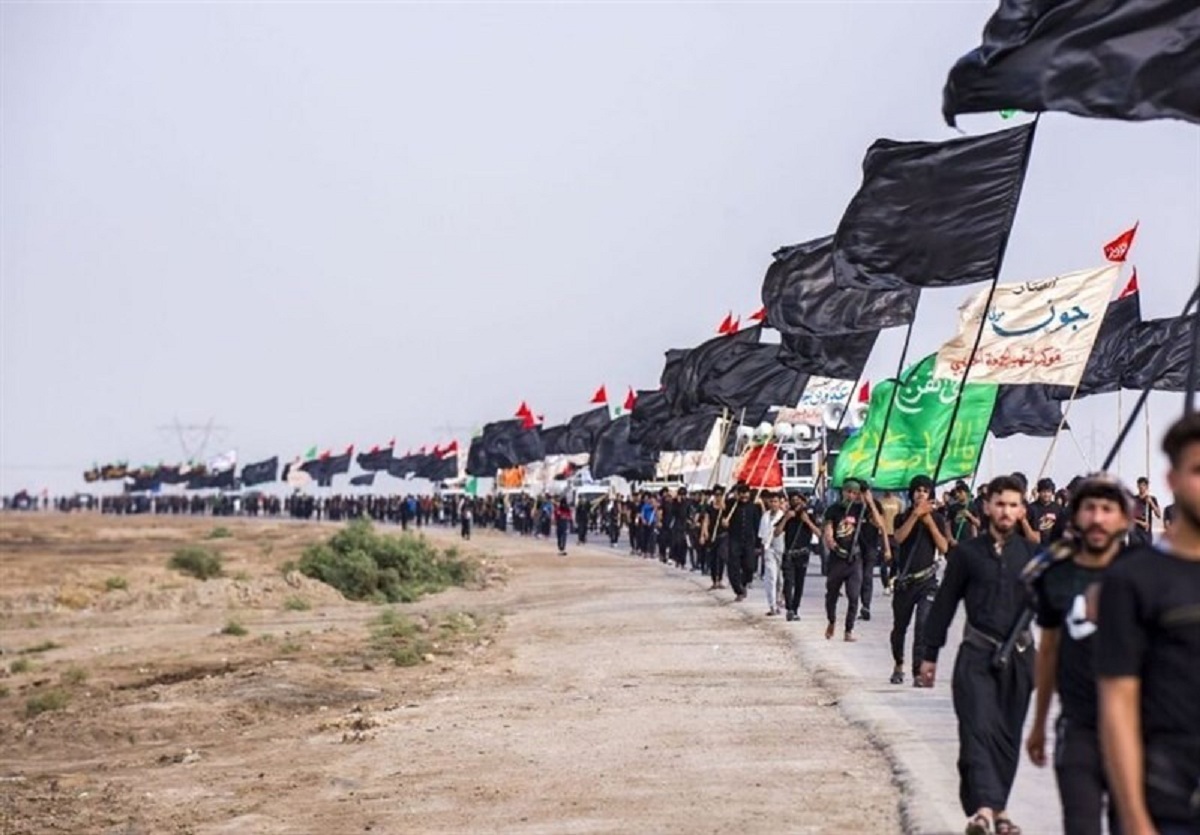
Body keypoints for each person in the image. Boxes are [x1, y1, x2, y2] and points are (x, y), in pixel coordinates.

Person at [1097, 415, 1200, 835]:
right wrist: (1137, 819)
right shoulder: (1133, 579)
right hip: (1166, 798)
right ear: (1171, 479)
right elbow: (1117, 703)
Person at [919, 475, 1038, 835]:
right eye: (999, 503)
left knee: (1006, 737)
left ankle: (999, 811)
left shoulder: (1033, 556)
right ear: (986, 506)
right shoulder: (968, 554)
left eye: (1013, 505)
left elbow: (1054, 608)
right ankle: (982, 812)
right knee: (976, 732)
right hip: (976, 656)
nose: (1005, 511)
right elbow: (943, 604)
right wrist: (930, 654)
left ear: (1022, 511)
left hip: (1020, 659)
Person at [1024, 475, 1131, 835]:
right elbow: (1049, 650)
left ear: (1124, 519)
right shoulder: (1057, 576)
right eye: (1090, 508)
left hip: (1136, 731)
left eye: (1107, 509)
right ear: (1075, 517)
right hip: (1079, 727)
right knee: (1080, 825)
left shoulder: (1144, 574)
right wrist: (1039, 723)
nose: (1098, 518)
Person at [888, 475, 948, 686]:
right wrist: (915, 516)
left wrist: (929, 521)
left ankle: (917, 672)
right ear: (912, 494)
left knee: (923, 624)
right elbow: (898, 538)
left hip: (927, 580)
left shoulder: (938, 519)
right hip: (906, 581)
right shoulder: (902, 517)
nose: (921, 493)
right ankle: (898, 664)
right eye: (917, 490)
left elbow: (944, 547)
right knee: (899, 627)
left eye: (925, 490)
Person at [822, 478, 887, 642]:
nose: (851, 495)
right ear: (843, 491)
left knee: (853, 595)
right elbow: (828, 531)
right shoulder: (833, 510)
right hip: (838, 558)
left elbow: (880, 524)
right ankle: (831, 620)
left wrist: (870, 501)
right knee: (832, 594)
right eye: (848, 491)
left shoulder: (861, 509)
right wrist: (832, 543)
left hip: (855, 559)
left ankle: (848, 630)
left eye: (855, 492)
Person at [780, 491, 821, 621]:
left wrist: (807, 521)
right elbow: (776, 532)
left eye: (799, 500)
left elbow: (819, 533)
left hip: (803, 554)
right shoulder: (788, 515)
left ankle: (795, 608)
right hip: (789, 554)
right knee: (788, 581)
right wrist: (786, 518)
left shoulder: (808, 515)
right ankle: (789, 608)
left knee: (799, 583)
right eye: (793, 500)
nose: (796, 503)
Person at [722, 483, 761, 602]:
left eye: (746, 493)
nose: (744, 496)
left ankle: (744, 583)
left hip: (749, 541)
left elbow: (757, 526)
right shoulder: (731, 506)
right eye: (741, 493)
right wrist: (724, 523)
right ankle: (738, 590)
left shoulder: (754, 507)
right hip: (734, 540)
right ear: (737, 494)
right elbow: (723, 519)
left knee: (750, 566)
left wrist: (758, 544)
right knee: (733, 566)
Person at [758, 492, 786, 616]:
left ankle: (779, 600)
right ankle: (772, 605)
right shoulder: (765, 516)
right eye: (771, 501)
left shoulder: (784, 516)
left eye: (776, 501)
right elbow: (762, 535)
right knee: (771, 577)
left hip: (782, 550)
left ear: (780, 503)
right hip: (769, 549)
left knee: (780, 580)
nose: (773, 504)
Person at [1023, 477, 1067, 548]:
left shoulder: (1058, 509)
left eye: (1048, 492)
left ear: (1052, 493)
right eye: (1043, 492)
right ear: (1039, 492)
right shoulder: (1031, 508)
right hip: (1035, 546)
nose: (1046, 495)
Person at [1129, 476, 1161, 546]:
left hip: (1146, 533)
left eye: (1143, 485)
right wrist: (1140, 523)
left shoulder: (1152, 499)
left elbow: (1158, 515)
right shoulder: (1133, 499)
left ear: (1147, 487)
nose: (1141, 487)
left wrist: (1151, 503)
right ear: (1137, 486)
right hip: (1135, 533)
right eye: (1140, 485)